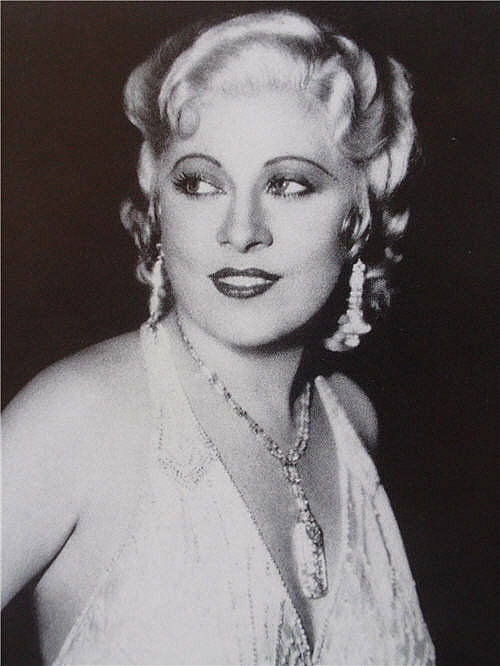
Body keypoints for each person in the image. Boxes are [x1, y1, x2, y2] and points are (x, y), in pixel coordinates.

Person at [2, 9, 435, 665]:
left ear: (358, 216)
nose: (240, 231)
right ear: (159, 205)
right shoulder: (79, 419)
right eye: (201, 183)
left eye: (289, 184)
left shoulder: (353, 419)